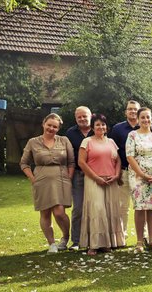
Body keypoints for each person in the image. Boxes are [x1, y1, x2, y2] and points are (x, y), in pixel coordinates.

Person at [20, 113, 74, 253]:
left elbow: (71, 162)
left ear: (58, 128)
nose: (51, 128)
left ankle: (65, 237)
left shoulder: (64, 140)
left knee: (59, 212)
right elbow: (24, 163)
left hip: (61, 180)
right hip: (41, 181)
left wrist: (69, 177)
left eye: (55, 126)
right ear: (43, 124)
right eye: (49, 125)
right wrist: (33, 178)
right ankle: (51, 244)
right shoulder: (33, 142)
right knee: (45, 214)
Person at [78, 113, 124, 255]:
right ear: (92, 127)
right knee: (97, 209)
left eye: (103, 124)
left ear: (106, 127)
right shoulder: (87, 142)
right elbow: (81, 162)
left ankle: (107, 243)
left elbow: (118, 161)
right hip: (94, 180)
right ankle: (94, 244)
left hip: (111, 180)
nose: (101, 127)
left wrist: (116, 175)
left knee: (110, 210)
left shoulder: (111, 142)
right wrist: (96, 177)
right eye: (97, 124)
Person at [126, 107, 152, 253]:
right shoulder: (132, 135)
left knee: (151, 208)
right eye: (142, 117)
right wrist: (142, 175)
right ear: (138, 119)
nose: (145, 120)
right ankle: (139, 241)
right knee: (139, 207)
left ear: (151, 118)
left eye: (148, 117)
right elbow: (130, 156)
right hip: (138, 177)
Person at [109, 100, 140, 239]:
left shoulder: (147, 126)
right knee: (123, 205)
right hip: (124, 171)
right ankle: (122, 234)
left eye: (135, 109)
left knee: (141, 205)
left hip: (141, 173)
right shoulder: (117, 129)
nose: (132, 111)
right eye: (130, 109)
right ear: (126, 112)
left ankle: (144, 235)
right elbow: (112, 151)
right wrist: (116, 171)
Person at [65, 106, 93, 250]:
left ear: (90, 116)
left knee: (96, 207)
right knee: (78, 208)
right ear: (76, 118)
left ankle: (93, 239)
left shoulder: (98, 129)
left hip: (96, 175)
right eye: (79, 117)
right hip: (78, 174)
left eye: (84, 116)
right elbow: (68, 156)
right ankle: (76, 241)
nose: (82, 119)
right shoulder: (70, 133)